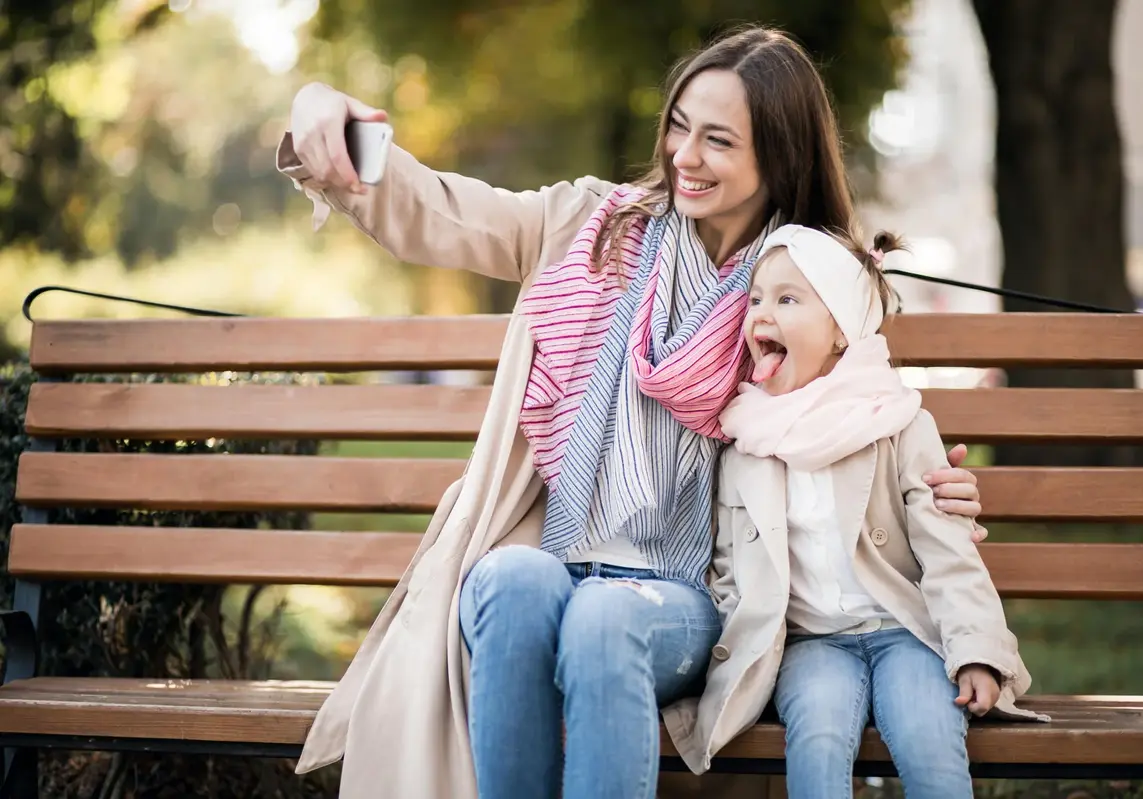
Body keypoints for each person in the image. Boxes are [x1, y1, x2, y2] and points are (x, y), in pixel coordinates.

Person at [278, 25, 988, 799]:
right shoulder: (593, 225)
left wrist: (930, 488)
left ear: (778, 156)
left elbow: (860, 416)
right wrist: (324, 116)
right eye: (679, 126)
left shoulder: (803, 288)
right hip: (557, 553)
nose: (684, 155)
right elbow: (445, 211)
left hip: (686, 595)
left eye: (717, 139)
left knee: (605, 617)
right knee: (509, 579)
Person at [669, 225, 1047, 798]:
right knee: (817, 736)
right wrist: (740, 647)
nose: (760, 314)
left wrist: (976, 652)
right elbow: (728, 568)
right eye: (755, 298)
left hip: (905, 631)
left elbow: (947, 553)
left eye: (788, 299)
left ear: (842, 333)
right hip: (812, 642)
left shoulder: (895, 423)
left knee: (928, 732)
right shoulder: (745, 440)